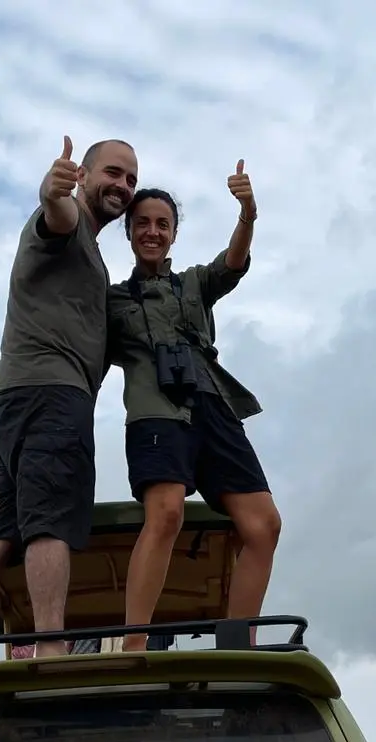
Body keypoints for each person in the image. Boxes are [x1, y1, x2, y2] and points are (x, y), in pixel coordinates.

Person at [0, 136, 139, 666]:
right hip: (50, 392)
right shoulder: (68, 226)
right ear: (84, 176)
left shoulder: (91, 248)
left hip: (21, 394)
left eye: (132, 179)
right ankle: (48, 646)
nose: (124, 186)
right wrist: (51, 188)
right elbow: (54, 211)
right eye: (113, 172)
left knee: (4, 528)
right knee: (50, 521)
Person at [106, 161, 281, 652]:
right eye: (142, 223)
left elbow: (233, 263)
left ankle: (235, 647)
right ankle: (134, 645)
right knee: (165, 513)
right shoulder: (114, 302)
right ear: (129, 232)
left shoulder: (194, 285)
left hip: (214, 408)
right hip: (157, 413)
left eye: (162, 224)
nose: (152, 232)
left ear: (175, 234)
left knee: (264, 525)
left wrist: (247, 213)